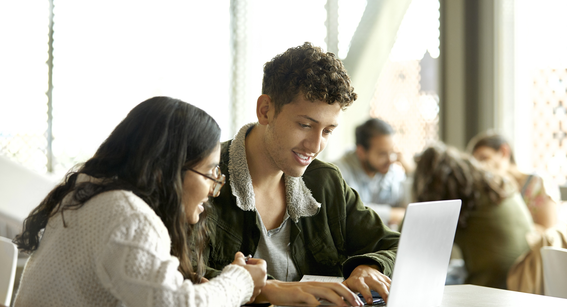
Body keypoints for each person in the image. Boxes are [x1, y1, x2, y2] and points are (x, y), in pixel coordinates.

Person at [12, 97, 267, 307]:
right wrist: (241, 280)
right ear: (164, 171)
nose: (214, 190)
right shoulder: (127, 216)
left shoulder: (89, 194)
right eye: (211, 173)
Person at [204, 42, 399, 306]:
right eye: (305, 125)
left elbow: (397, 246)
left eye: (328, 130)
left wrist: (369, 267)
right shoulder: (202, 176)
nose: (316, 145)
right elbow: (178, 275)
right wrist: (266, 289)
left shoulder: (325, 182)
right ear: (265, 110)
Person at [412, 143, 535, 289]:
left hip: (492, 287)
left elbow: (418, 248)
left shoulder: (460, 195)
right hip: (523, 279)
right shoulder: (494, 184)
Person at [467, 131, 560, 231]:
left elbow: (549, 233)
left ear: (504, 151)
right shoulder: (494, 190)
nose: (481, 167)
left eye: (484, 158)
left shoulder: (539, 182)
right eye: (476, 164)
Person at [333, 118, 410, 227]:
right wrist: (392, 214)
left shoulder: (391, 170)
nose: (391, 159)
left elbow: (409, 208)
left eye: (392, 152)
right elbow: (349, 211)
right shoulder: (338, 172)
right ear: (361, 152)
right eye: (382, 154)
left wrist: (411, 172)